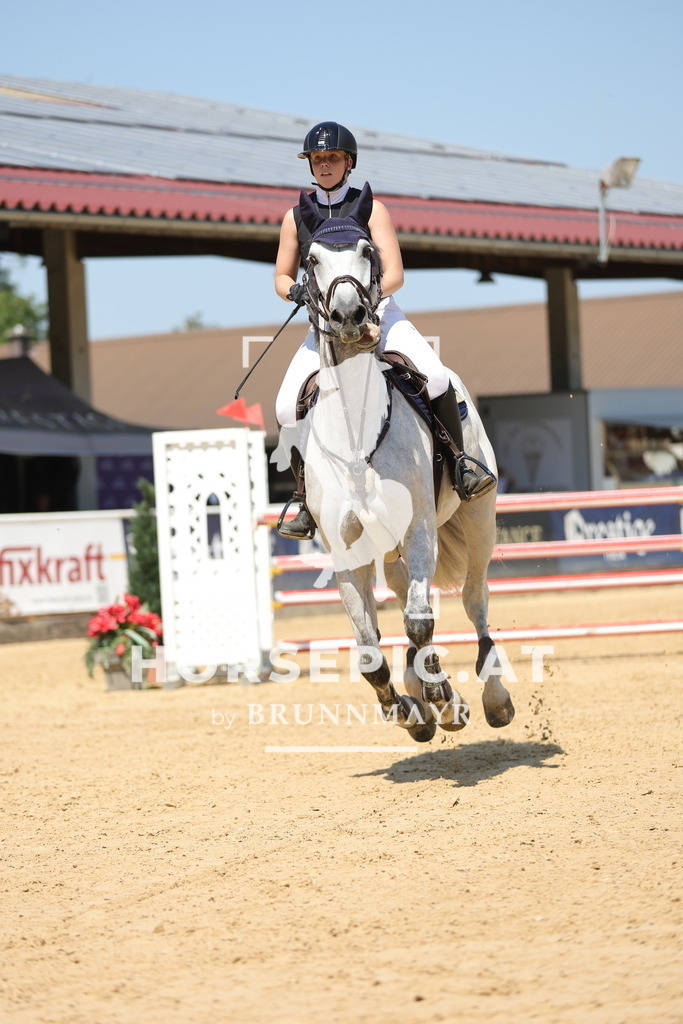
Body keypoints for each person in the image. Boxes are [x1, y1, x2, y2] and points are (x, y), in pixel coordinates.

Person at [274, 121, 495, 539]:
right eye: (318, 159)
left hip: (381, 314)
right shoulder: (294, 218)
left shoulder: (371, 209)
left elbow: (394, 274)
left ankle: (461, 462)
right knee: (287, 406)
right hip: (325, 327)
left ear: (348, 162)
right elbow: (281, 277)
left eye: (332, 157)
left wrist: (367, 307)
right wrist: (298, 292)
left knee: (437, 377)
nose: (324, 165)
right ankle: (305, 498)